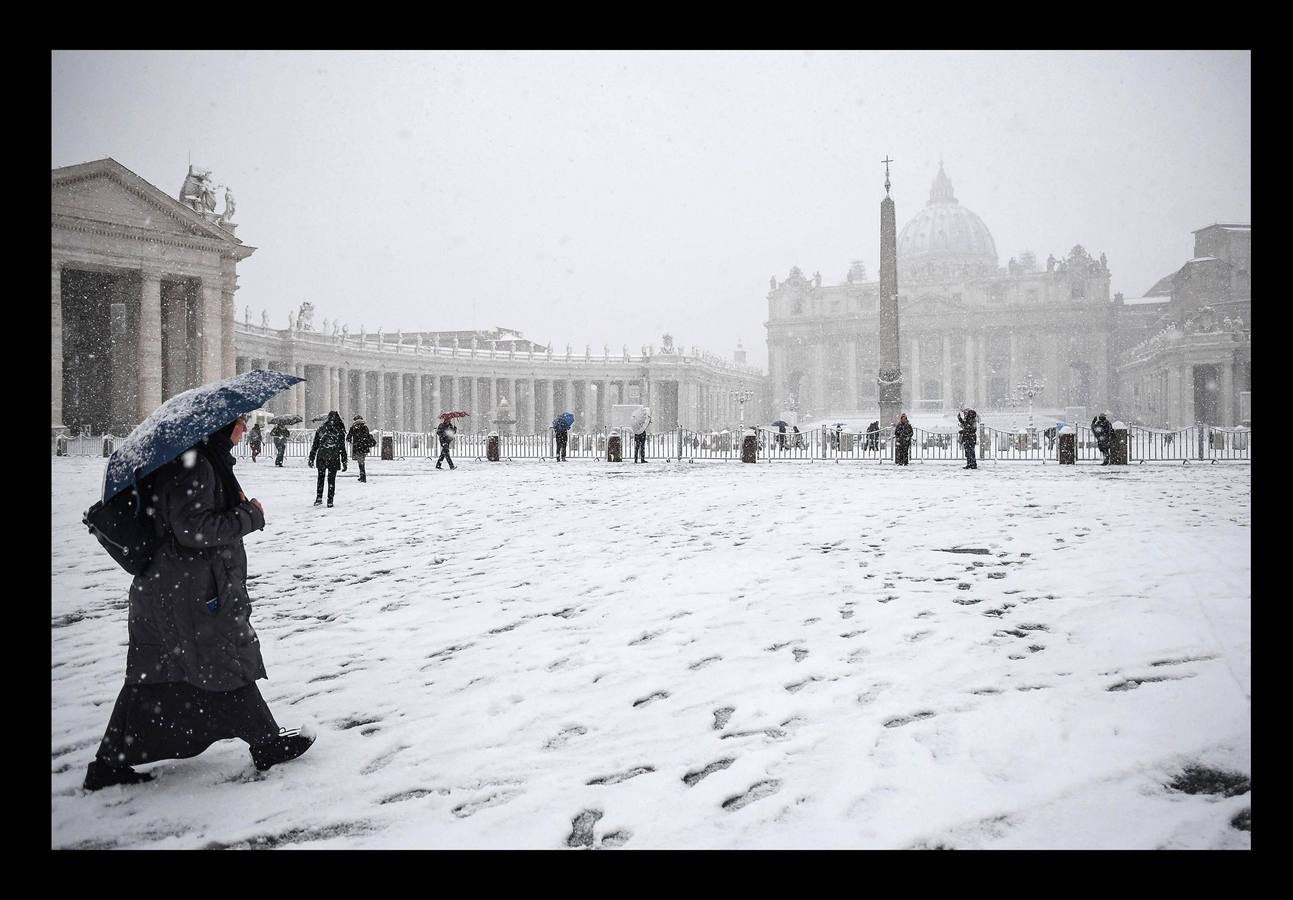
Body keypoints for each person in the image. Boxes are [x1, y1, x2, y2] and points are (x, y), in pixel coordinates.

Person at [82, 414, 315, 791]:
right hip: (188, 590)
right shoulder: (197, 465)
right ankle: (266, 742)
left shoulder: (195, 460)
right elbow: (194, 530)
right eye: (239, 422)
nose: (244, 428)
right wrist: (249, 515)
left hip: (168, 586)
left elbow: (186, 521)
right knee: (220, 659)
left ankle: (109, 765)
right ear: (220, 427)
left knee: (155, 674)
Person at [308, 411, 348, 507]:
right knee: (331, 480)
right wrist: (344, 461)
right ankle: (330, 501)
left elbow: (315, 445)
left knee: (320, 478)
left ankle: (319, 498)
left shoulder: (321, 429)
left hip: (322, 457)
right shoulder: (340, 430)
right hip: (334, 458)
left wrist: (311, 458)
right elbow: (342, 448)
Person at [347, 415, 375, 482]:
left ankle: (363, 477)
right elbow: (367, 436)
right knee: (362, 461)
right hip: (364, 446)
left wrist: (351, 441)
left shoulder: (353, 427)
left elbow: (348, 437)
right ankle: (362, 476)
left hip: (357, 446)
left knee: (360, 462)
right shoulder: (365, 427)